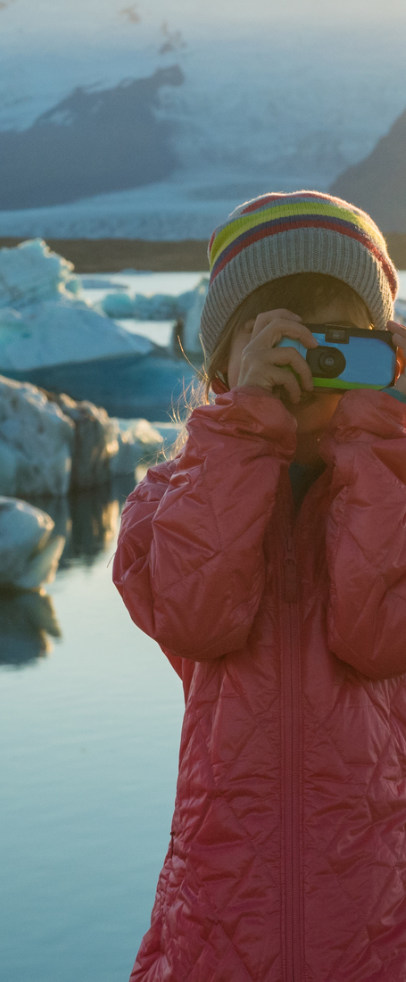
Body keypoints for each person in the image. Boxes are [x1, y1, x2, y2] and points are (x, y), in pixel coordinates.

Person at [113, 190, 406, 982]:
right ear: (223, 367)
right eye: (289, 340)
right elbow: (193, 614)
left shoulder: (397, 486)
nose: (314, 370)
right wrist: (244, 431)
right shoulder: (170, 499)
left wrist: (381, 442)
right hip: (222, 912)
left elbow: (377, 633)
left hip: (377, 919)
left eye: (343, 344)